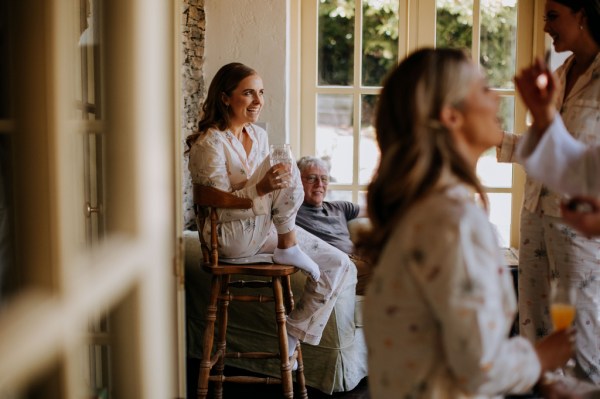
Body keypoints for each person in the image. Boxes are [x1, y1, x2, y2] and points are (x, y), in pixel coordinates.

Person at [358, 47, 574, 398]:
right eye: (484, 89)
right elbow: (481, 368)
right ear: (451, 115)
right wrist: (543, 356)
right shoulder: (451, 222)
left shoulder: (423, 210)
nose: (497, 102)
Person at [186, 62, 356, 358]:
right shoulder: (209, 144)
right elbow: (219, 209)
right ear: (225, 97)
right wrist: (261, 188)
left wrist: (269, 187)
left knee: (339, 264)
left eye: (261, 93)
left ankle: (293, 334)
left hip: (263, 229)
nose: (258, 101)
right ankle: (288, 246)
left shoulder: (259, 136)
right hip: (230, 237)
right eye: (248, 93)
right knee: (284, 165)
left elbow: (279, 190)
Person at [495, 0, 600, 384]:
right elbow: (551, 149)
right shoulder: (561, 74)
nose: (545, 27)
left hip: (581, 230)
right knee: (536, 337)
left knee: (581, 343)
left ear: (583, 15)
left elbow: (582, 162)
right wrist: (501, 140)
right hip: (536, 215)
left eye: (553, 16)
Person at [515, 57, 600, 237]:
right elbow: (582, 168)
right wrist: (544, 114)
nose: (547, 27)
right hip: (538, 211)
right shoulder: (560, 73)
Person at [295, 156, 372, 295]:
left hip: (361, 259)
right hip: (338, 267)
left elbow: (375, 210)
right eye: (312, 178)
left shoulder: (339, 207)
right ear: (297, 180)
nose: (319, 184)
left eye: (324, 179)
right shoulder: (290, 212)